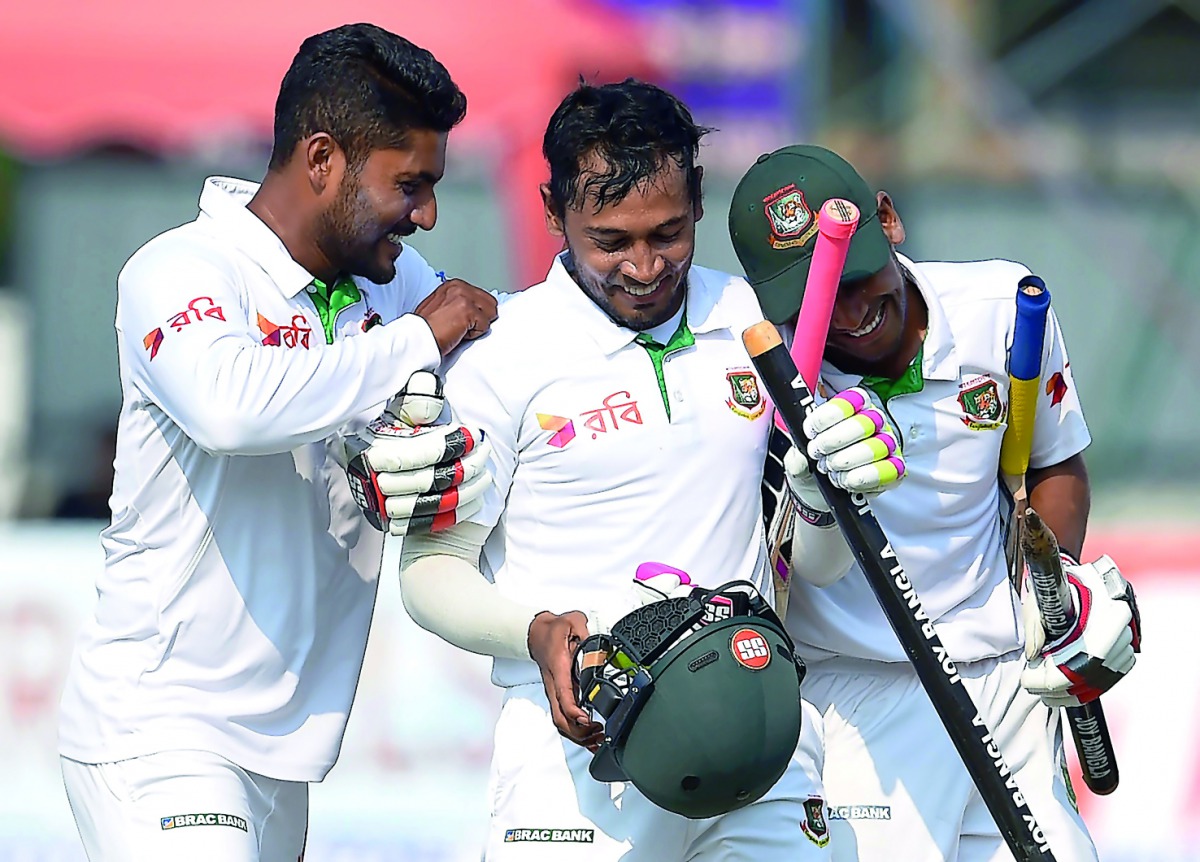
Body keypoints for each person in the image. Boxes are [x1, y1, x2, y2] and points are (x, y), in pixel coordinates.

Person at [377, 80, 902, 861]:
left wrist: (825, 496)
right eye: (611, 242)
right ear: (554, 213)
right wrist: (536, 634)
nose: (646, 266)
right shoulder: (499, 352)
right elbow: (428, 574)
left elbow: (816, 566)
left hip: (762, 735)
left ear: (696, 202)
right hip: (582, 754)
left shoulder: (753, 324)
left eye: (668, 232)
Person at [57, 23, 497, 862]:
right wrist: (412, 343)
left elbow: (502, 357)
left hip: (283, 755)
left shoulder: (392, 282)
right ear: (322, 158)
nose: (429, 215)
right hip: (160, 727)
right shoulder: (182, 270)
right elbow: (230, 409)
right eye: (410, 184)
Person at [728, 144, 1142, 862]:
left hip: (1006, 682)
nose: (852, 313)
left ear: (888, 220)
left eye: (859, 278)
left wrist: (1063, 586)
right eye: (817, 300)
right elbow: (801, 562)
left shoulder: (1003, 310)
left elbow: (1054, 462)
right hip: (858, 697)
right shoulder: (767, 379)